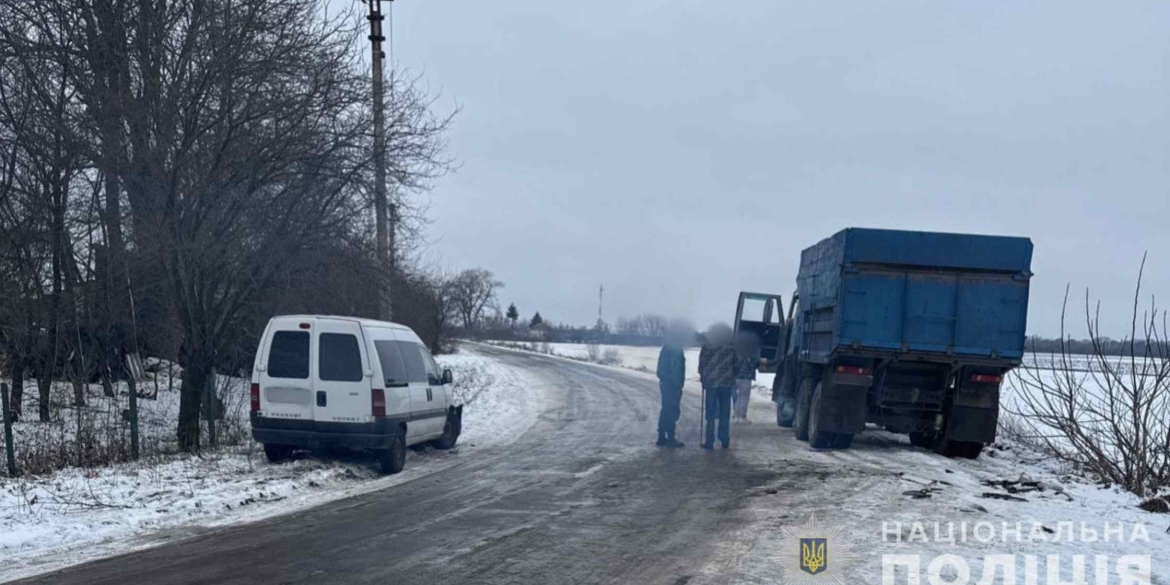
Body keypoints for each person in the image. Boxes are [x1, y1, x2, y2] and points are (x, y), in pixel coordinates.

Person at [698, 323, 737, 449]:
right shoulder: (731, 346)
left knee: (710, 413)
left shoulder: (707, 346)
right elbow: (736, 364)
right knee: (724, 413)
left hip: (711, 384)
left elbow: (702, 364)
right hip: (726, 384)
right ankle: (724, 439)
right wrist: (732, 377)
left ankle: (710, 441)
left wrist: (703, 378)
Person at [655, 334, 686, 448]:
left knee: (668, 409)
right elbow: (662, 370)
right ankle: (668, 436)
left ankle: (663, 436)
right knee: (670, 410)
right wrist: (673, 380)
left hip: (673, 384)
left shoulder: (674, 349)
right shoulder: (670, 349)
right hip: (670, 385)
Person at [734, 333, 759, 422]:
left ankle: (736, 416)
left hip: (737, 377)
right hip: (746, 378)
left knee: (738, 397)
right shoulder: (751, 355)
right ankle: (742, 416)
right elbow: (755, 364)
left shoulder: (738, 352)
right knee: (744, 397)